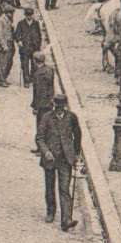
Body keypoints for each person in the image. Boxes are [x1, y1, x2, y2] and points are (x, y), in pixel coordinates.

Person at [37, 91, 82, 230]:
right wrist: (46, 152)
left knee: (64, 188)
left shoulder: (72, 117)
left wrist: (75, 153)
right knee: (50, 187)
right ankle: (51, 211)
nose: (59, 109)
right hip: (50, 158)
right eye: (57, 106)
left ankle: (66, 219)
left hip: (65, 159)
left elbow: (77, 135)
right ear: (53, 105)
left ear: (65, 106)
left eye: (61, 107)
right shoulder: (46, 117)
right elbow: (39, 137)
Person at [29, 51, 55, 154]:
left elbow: (38, 92)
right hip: (48, 103)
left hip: (42, 104)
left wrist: (35, 106)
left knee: (41, 127)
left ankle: (42, 149)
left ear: (35, 61)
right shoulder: (49, 70)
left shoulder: (38, 74)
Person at [15, 8, 44, 86]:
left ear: (32, 15)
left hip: (34, 48)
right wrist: (19, 41)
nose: (29, 17)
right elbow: (16, 35)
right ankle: (26, 81)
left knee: (34, 65)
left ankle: (33, 79)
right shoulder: (21, 23)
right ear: (25, 15)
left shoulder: (36, 23)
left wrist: (38, 46)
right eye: (27, 15)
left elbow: (39, 35)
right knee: (25, 65)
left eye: (30, 15)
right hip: (24, 48)